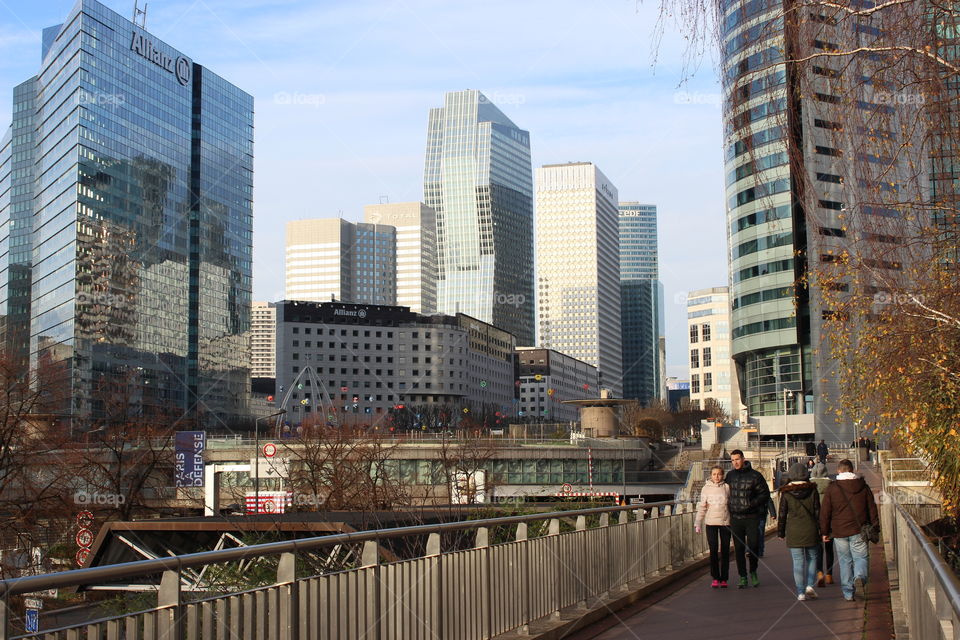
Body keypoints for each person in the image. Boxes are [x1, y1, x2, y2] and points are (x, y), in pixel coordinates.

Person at [820, 459, 879, 601]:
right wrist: (875, 526)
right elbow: (872, 508)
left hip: (839, 531)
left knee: (845, 561)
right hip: (859, 530)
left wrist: (825, 532)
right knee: (860, 557)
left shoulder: (832, 488)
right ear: (852, 470)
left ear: (839, 471)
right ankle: (859, 576)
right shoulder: (863, 487)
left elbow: (825, 512)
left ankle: (848, 593)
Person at [725, 449, 770, 588]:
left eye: (737, 459)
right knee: (738, 548)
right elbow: (724, 492)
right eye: (732, 460)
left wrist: (751, 504)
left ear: (743, 459)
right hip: (735, 517)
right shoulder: (730, 475)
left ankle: (753, 571)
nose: (735, 463)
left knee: (754, 545)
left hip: (751, 517)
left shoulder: (755, 476)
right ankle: (743, 576)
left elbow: (765, 494)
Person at [778, 463, 821, 600]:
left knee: (798, 561)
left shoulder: (786, 493)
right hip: (811, 529)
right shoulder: (813, 490)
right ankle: (810, 585)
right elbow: (818, 512)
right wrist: (822, 530)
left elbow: (782, 514)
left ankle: (800, 592)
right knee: (812, 558)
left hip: (793, 530)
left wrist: (781, 532)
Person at [695, 465, 731, 588]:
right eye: (714, 474)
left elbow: (731, 504)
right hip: (711, 523)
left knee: (725, 551)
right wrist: (698, 522)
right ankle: (715, 577)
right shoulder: (706, 488)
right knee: (713, 550)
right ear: (711, 475)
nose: (716, 476)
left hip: (725, 523)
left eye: (719, 474)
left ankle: (724, 578)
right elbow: (702, 506)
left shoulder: (727, 487)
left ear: (723, 475)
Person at [810, 462, 834, 586]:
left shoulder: (810, 487)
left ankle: (819, 573)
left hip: (815, 522)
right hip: (829, 522)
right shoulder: (831, 486)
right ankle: (829, 575)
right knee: (829, 549)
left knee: (818, 549)